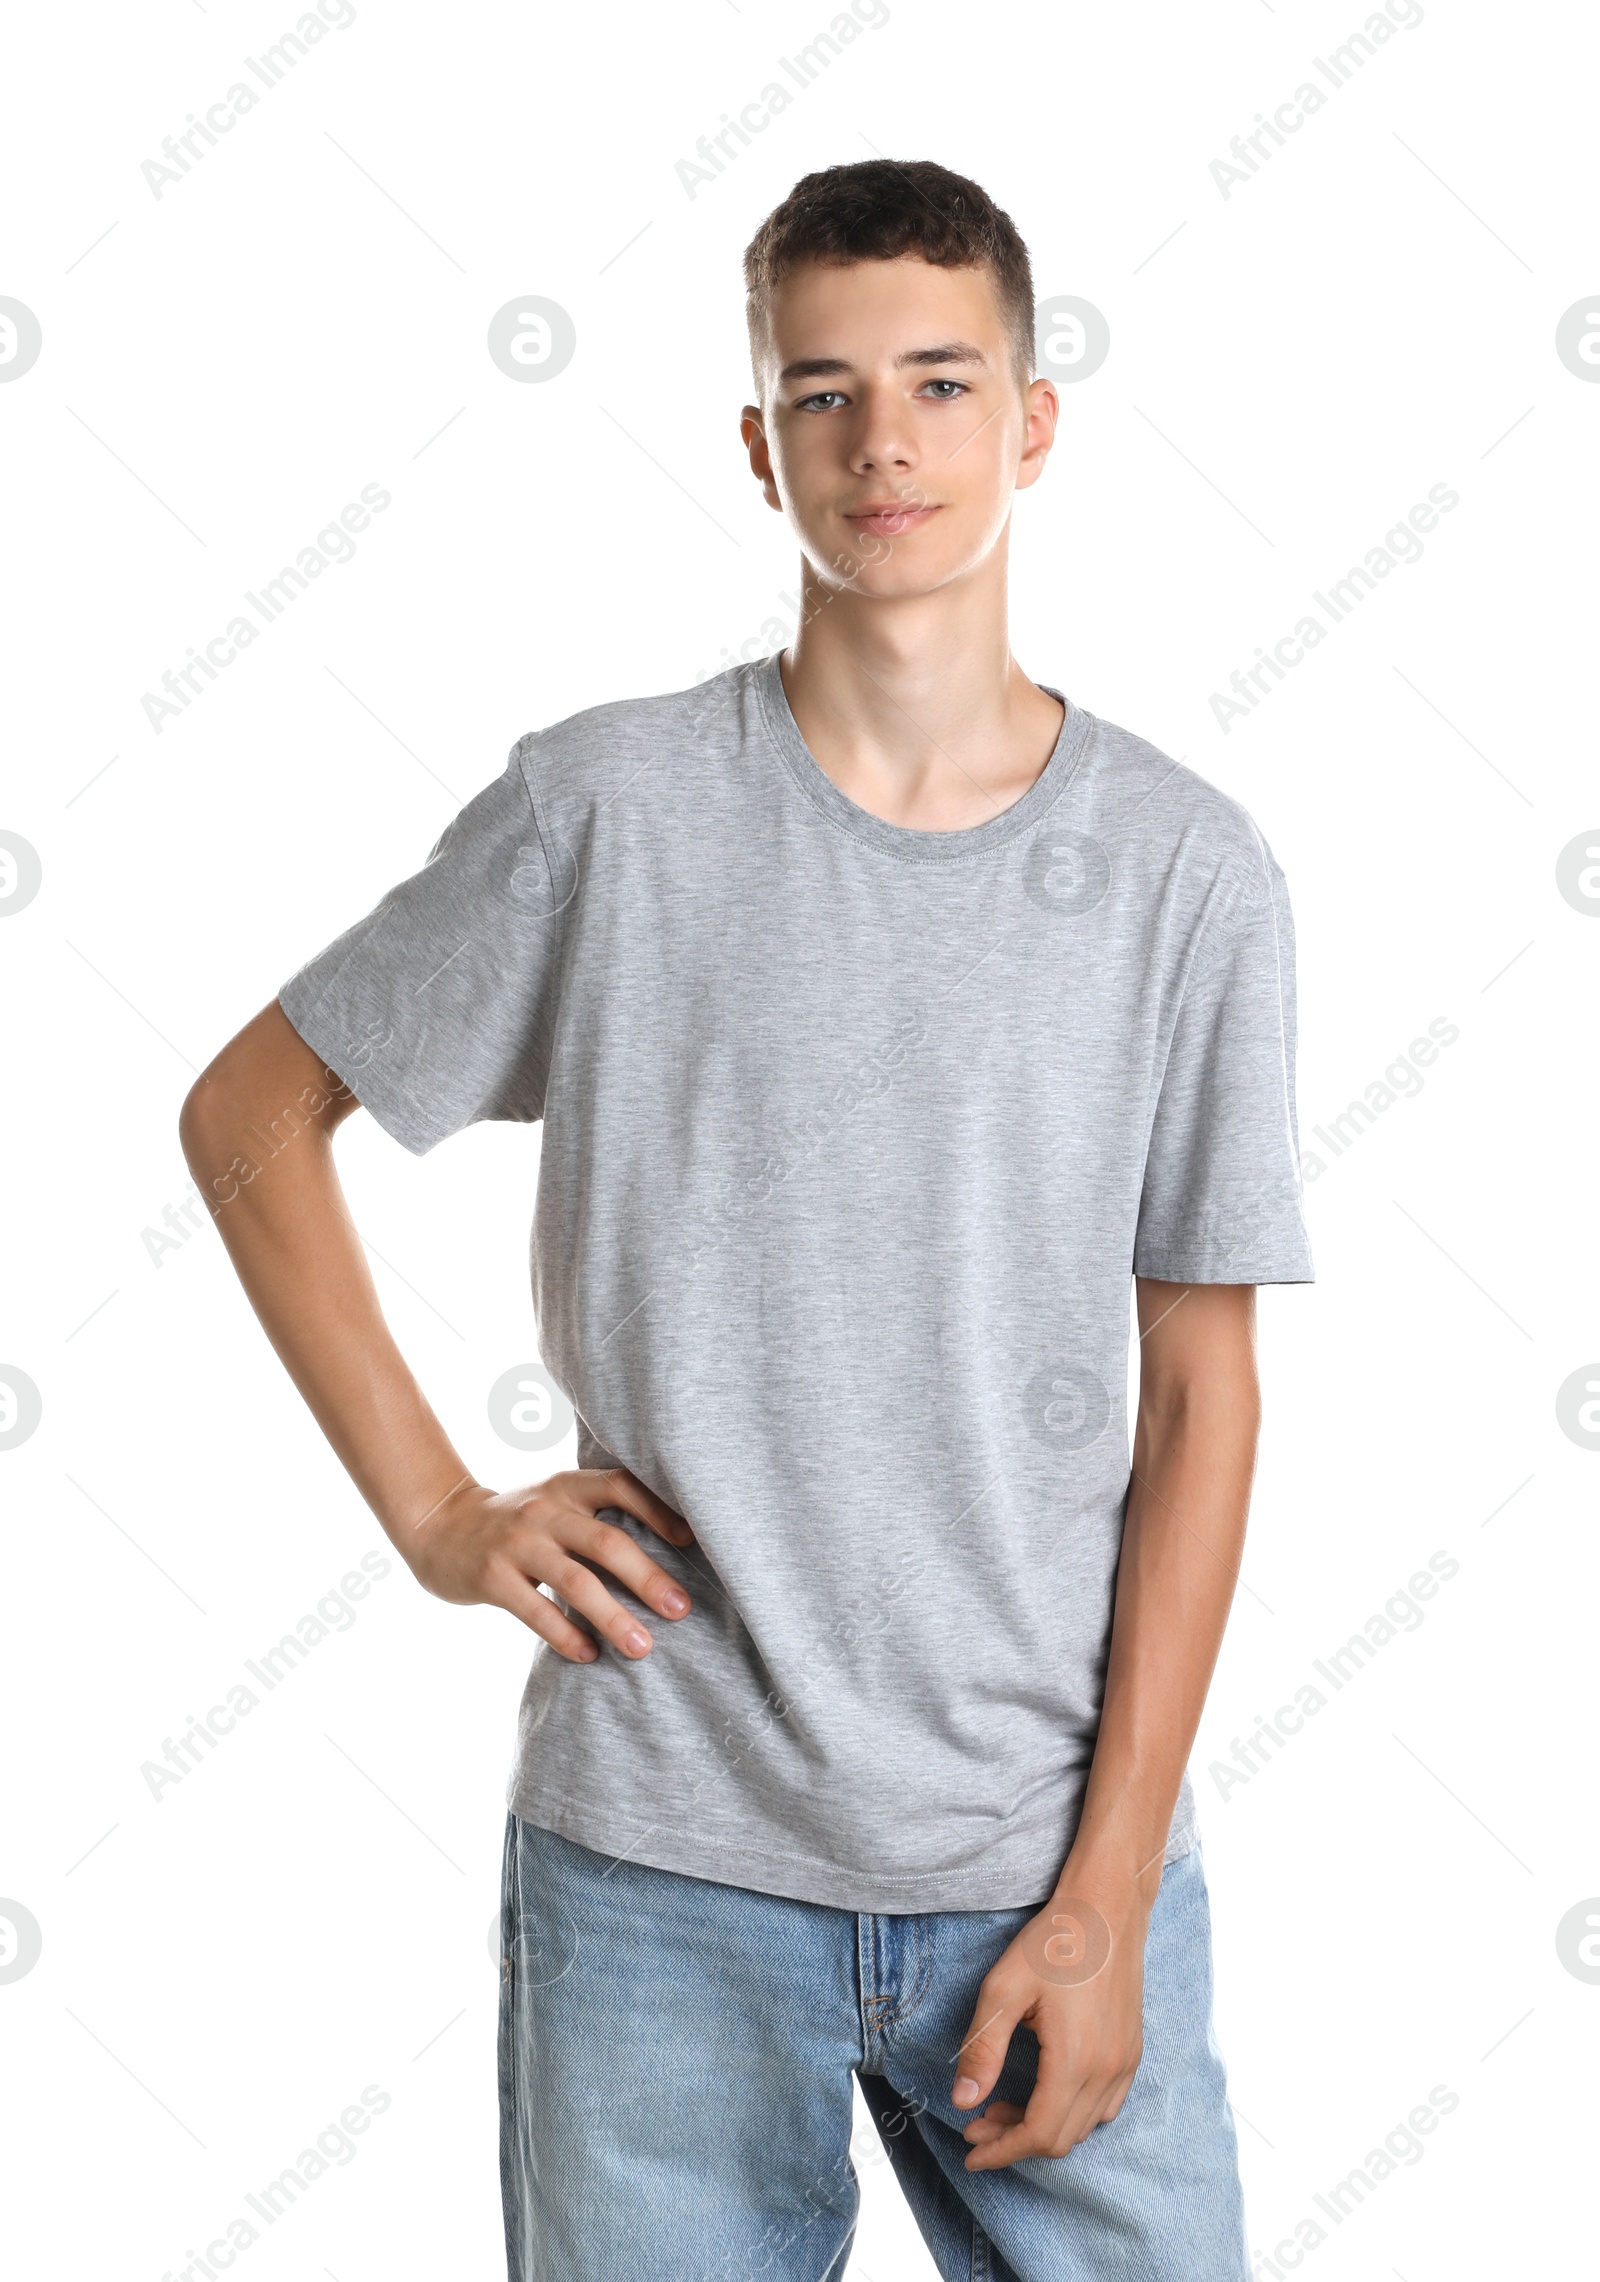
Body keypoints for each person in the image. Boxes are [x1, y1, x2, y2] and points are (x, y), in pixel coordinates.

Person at [180, 157, 1313, 2282]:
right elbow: (251, 1118)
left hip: (1041, 1850)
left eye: (939, 382)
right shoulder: (607, 809)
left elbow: (1199, 1397)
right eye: (822, 393)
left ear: (1031, 421)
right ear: (758, 441)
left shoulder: (1185, 874)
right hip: (660, 1864)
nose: (882, 440)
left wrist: (1099, 1888)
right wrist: (438, 1514)